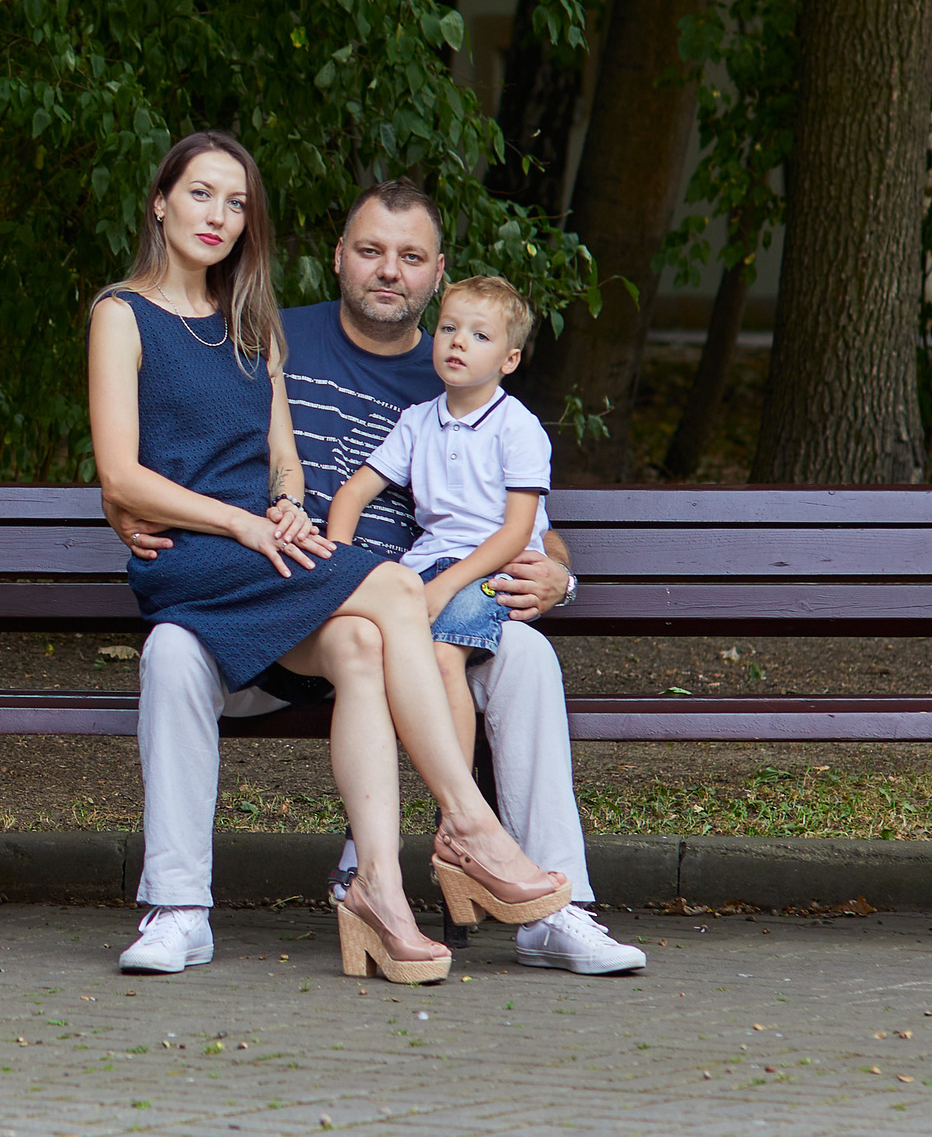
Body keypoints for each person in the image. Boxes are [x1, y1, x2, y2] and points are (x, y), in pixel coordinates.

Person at [109, 180, 645, 977]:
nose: (387, 270)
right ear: (338, 258)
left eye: (410, 256)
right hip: (267, 598)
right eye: (369, 250)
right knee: (172, 652)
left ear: (437, 272)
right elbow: (182, 429)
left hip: (403, 630)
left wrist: (558, 574)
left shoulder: (462, 360)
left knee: (528, 658)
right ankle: (178, 906)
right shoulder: (264, 334)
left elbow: (529, 520)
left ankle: (554, 912)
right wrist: (128, 503)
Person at [327, 274, 551, 775]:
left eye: (480, 335)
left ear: (508, 360)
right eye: (449, 327)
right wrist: (337, 569)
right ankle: (368, 826)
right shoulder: (417, 421)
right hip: (425, 566)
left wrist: (444, 587)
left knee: (440, 655)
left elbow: (517, 532)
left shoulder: (518, 428)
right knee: (373, 663)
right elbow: (353, 493)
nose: (458, 342)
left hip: (495, 572)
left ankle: (459, 807)